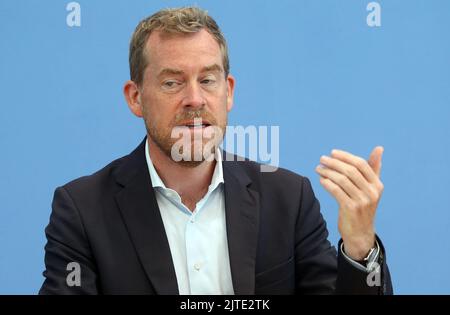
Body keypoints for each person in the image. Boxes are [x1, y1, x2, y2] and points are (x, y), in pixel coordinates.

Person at [40, 6, 393, 295]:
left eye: (208, 80)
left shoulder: (288, 199)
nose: (194, 99)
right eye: (171, 82)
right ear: (136, 97)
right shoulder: (83, 212)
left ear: (229, 91)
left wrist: (360, 247)